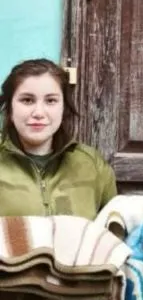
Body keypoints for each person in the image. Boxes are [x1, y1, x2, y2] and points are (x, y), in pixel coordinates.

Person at [0, 57, 117, 218]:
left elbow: (113, 234)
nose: (39, 113)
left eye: (51, 101)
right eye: (27, 100)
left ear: (64, 108)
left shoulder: (92, 165)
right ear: (10, 110)